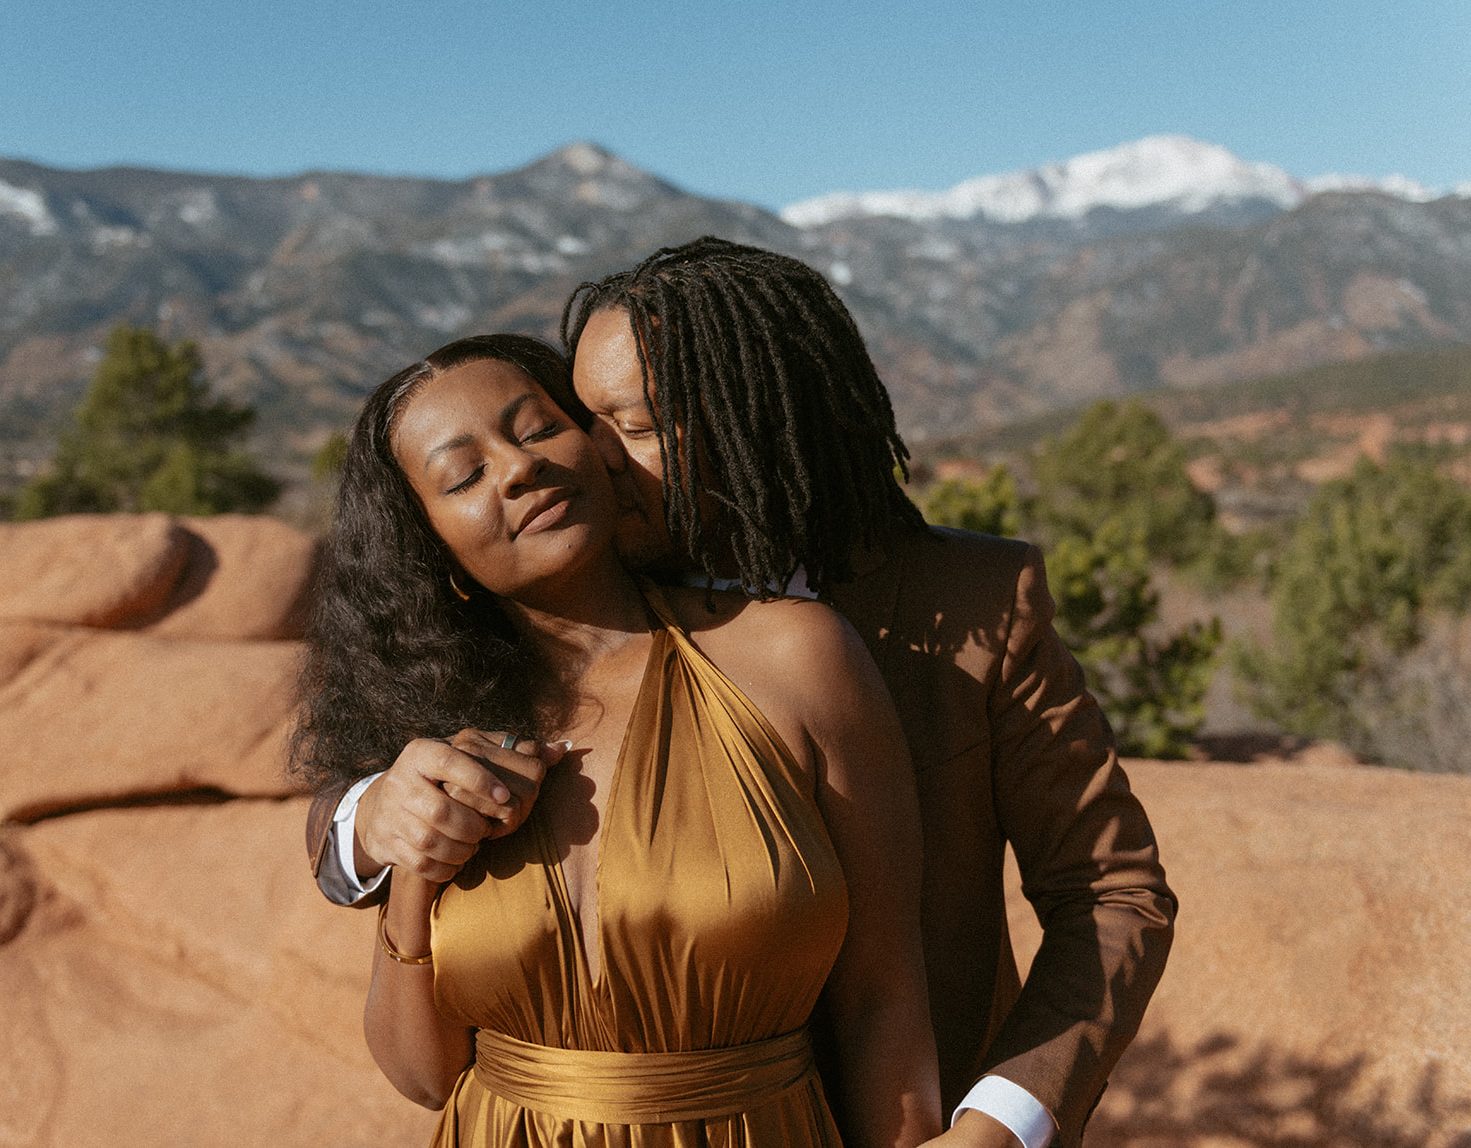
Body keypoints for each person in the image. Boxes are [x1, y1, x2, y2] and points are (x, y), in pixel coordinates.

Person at [306, 240, 1178, 1148]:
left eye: (635, 427)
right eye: (583, 419)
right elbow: (363, 785)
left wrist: (1001, 1124)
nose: (587, 461)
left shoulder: (968, 602)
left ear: (758, 420)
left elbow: (1110, 894)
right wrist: (377, 818)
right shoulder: (531, 628)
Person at [292, 333, 948, 1146]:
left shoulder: (796, 657)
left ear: (599, 452)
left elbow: (885, 1000)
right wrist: (416, 876)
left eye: (535, 429)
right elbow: (423, 1077)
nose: (517, 467)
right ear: (436, 553)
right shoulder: (441, 740)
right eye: (463, 475)